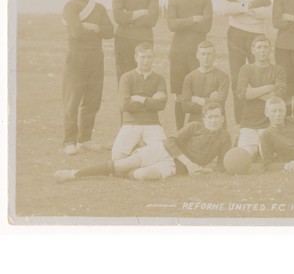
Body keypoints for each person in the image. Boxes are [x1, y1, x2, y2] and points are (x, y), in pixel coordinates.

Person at [54, 103, 231, 182]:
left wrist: (207, 169)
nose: (214, 120)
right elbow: (171, 141)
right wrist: (189, 163)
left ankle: (118, 172)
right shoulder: (195, 126)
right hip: (164, 151)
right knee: (123, 163)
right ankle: (74, 173)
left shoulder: (225, 137)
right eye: (211, 117)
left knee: (143, 175)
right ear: (204, 117)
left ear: (223, 118)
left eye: (217, 116)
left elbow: (223, 165)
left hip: (176, 168)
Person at [62, 0, 114, 155]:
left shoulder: (98, 7)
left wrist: (93, 27)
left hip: (96, 57)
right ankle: (69, 141)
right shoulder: (70, 6)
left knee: (92, 100)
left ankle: (85, 140)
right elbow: (76, 31)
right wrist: (87, 28)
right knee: (72, 100)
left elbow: (110, 32)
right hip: (77, 57)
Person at [221, 0, 271, 124]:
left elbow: (266, 12)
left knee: (259, 75)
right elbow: (225, 9)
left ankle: (259, 117)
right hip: (236, 32)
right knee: (237, 78)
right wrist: (249, 6)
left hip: (257, 33)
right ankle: (240, 119)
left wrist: (242, 9)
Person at [167, 0, 213, 130]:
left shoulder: (205, 0)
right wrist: (194, 19)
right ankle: (179, 131)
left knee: (199, 93)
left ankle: (198, 130)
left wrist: (182, 22)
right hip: (178, 53)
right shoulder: (174, 0)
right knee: (179, 95)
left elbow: (206, 26)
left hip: (198, 54)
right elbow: (172, 25)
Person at [111, 42, 167, 161]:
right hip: (131, 123)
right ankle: (139, 149)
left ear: (153, 58)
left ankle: (140, 150)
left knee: (163, 156)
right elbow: (124, 105)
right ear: (136, 57)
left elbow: (161, 105)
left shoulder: (159, 79)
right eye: (142, 57)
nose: (146, 61)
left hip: (152, 123)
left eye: (149, 57)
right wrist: (151, 102)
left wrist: (140, 99)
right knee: (117, 158)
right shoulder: (127, 77)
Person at [235, 36, 286, 160]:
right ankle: (245, 142)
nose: (262, 50)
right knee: (248, 154)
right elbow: (242, 94)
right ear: (253, 50)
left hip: (270, 123)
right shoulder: (246, 69)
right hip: (249, 123)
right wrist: (269, 87)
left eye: (265, 47)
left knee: (267, 156)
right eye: (259, 47)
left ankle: (260, 149)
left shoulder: (278, 70)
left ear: (270, 50)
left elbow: (279, 96)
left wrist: (252, 91)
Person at [112, 0, 160, 82]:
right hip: (123, 38)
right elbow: (118, 17)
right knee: (124, 76)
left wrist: (128, 16)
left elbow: (152, 19)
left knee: (143, 74)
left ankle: (142, 101)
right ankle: (125, 102)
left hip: (144, 38)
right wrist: (141, 12)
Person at [181, 40, 230, 124]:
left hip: (216, 122)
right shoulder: (189, 77)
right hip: (195, 122)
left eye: (209, 54)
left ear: (214, 56)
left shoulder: (223, 76)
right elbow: (185, 106)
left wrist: (197, 99)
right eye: (203, 54)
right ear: (197, 55)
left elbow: (220, 102)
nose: (206, 57)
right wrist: (211, 100)